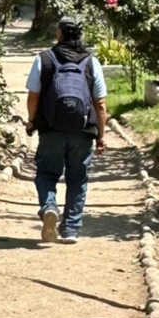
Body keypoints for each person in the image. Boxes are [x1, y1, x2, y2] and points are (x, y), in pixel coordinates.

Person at [24, 16, 107, 243]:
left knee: (46, 173)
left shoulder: (44, 59)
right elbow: (100, 103)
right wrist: (101, 135)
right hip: (82, 130)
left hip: (51, 129)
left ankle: (49, 206)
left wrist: (31, 121)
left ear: (60, 33)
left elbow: (33, 95)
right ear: (80, 35)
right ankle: (70, 229)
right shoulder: (92, 62)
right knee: (77, 179)